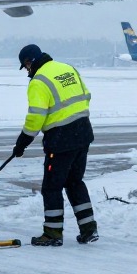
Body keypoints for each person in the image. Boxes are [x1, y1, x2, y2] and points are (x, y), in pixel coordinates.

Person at [12, 44, 98, 247]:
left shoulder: (38, 81)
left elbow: (35, 117)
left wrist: (21, 143)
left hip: (61, 140)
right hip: (83, 132)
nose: (26, 71)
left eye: (25, 67)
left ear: (29, 62)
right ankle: (89, 229)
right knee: (75, 182)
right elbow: (86, 95)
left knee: (51, 187)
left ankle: (52, 233)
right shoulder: (67, 68)